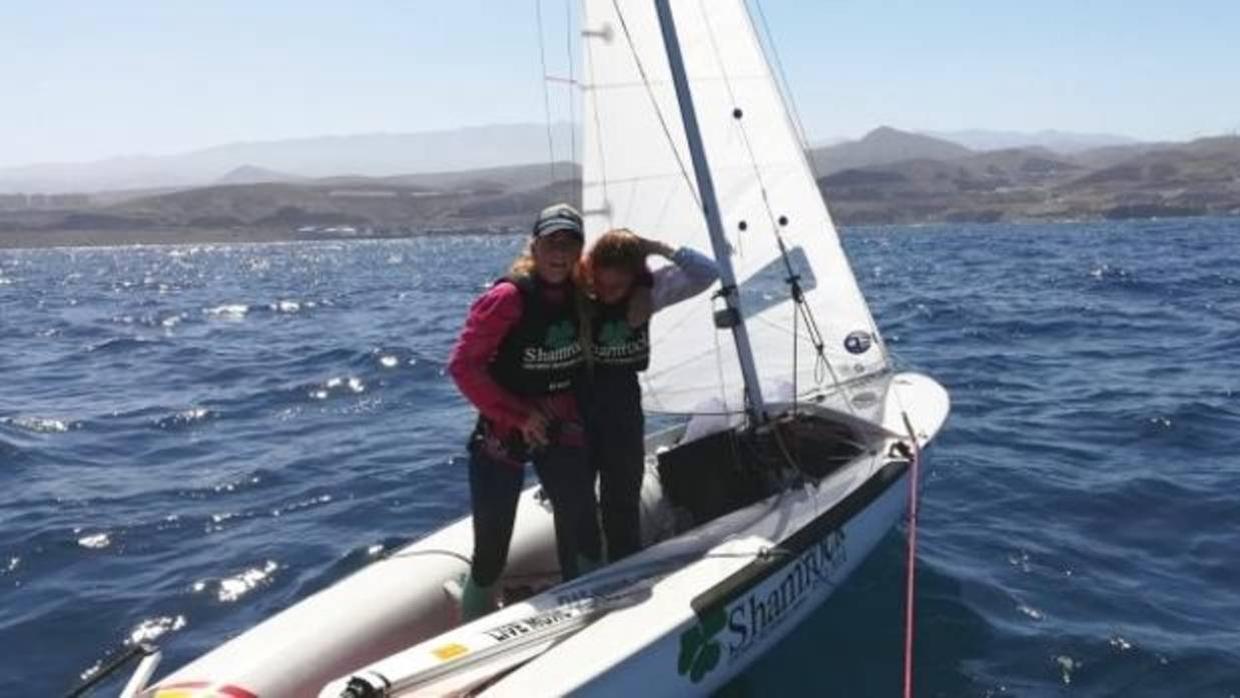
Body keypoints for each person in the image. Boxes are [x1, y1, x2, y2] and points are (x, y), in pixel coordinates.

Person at [447, 203, 601, 621]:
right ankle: (471, 616)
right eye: (552, 242)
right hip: (504, 430)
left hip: (560, 426)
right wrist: (518, 416)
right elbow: (463, 366)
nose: (560, 253)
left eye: (570, 244)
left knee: (585, 528)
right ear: (534, 245)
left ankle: (596, 612)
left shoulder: (583, 293)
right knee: (493, 545)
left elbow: (637, 282)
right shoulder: (507, 298)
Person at [577, 229, 719, 563]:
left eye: (618, 287)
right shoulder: (577, 291)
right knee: (577, 495)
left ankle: (623, 561)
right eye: (601, 285)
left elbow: (708, 272)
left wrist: (656, 247)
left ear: (634, 278)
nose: (607, 294)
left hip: (621, 399)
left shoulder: (649, 291)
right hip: (577, 403)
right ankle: (581, 567)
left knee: (623, 490)